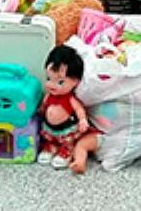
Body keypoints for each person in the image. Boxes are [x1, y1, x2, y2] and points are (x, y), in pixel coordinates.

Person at [39, 45, 99, 174]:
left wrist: (83, 121)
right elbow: (44, 106)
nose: (51, 85)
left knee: (68, 142)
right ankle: (51, 147)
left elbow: (79, 110)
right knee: (50, 139)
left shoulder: (71, 99)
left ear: (75, 82)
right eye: (49, 79)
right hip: (50, 129)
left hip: (67, 130)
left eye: (60, 82)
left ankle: (66, 151)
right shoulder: (49, 95)